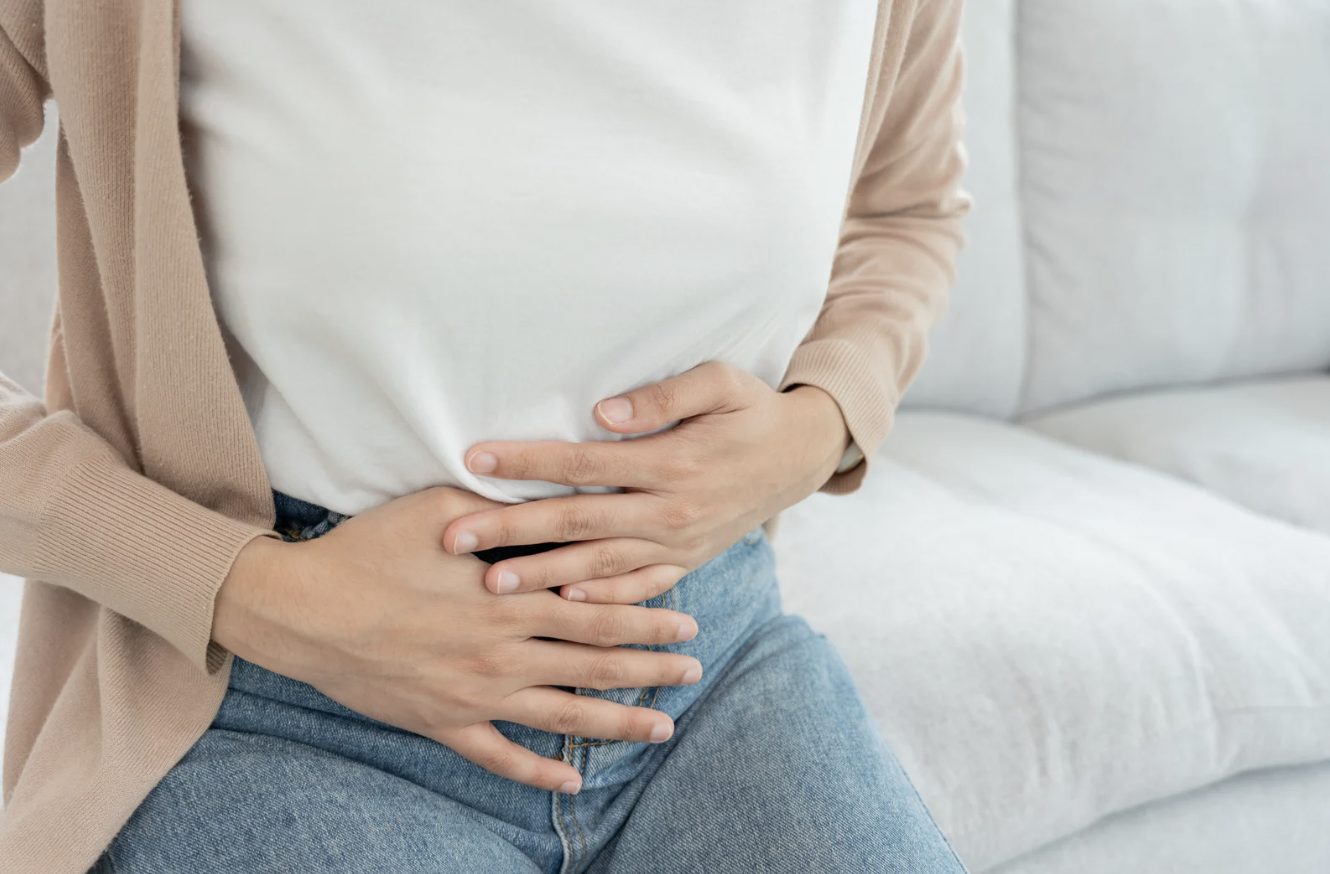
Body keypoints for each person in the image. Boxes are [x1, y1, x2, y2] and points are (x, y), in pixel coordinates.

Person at [0, 0, 971, 871]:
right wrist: (242, 587)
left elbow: (905, 210)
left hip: (708, 662)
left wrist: (819, 426)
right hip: (275, 700)